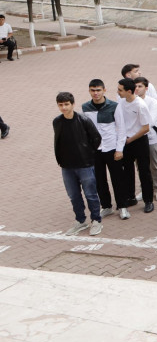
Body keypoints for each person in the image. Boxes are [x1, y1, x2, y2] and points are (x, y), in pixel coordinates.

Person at [54, 92, 103, 236]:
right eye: (61, 105)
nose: (64, 108)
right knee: (74, 195)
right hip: (67, 166)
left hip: (85, 165)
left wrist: (88, 154)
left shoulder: (83, 120)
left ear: (72, 104)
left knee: (91, 194)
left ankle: (96, 220)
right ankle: (81, 220)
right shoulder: (57, 122)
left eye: (66, 104)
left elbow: (96, 138)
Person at [82, 79, 127, 220]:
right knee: (100, 180)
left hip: (112, 148)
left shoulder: (114, 106)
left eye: (98, 90)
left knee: (118, 179)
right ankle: (106, 206)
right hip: (95, 150)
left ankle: (123, 206)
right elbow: (85, 131)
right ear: (89, 91)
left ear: (104, 90)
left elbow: (121, 129)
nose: (95, 93)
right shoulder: (85, 107)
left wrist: (119, 149)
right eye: (93, 90)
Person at [115, 78, 154, 214]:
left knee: (144, 171)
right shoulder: (121, 102)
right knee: (127, 171)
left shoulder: (140, 105)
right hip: (126, 141)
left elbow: (145, 128)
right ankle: (130, 197)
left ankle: (148, 200)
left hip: (138, 141)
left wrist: (130, 139)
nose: (118, 92)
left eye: (120, 90)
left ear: (129, 91)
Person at [133, 77, 157, 202]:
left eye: (140, 86)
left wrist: (136, 123)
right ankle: (145, 189)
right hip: (137, 139)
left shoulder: (152, 102)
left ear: (146, 88)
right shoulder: (130, 102)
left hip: (151, 137)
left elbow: (151, 121)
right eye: (135, 86)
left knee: (155, 164)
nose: (137, 89)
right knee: (140, 165)